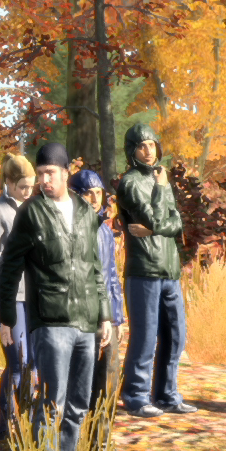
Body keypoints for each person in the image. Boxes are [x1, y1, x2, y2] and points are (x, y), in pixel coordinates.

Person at [0, 143, 107, 451]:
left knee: (79, 402)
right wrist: (6, 316)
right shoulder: (31, 213)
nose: (44, 180)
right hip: (50, 319)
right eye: (40, 173)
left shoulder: (85, 212)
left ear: (65, 173)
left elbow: (95, 267)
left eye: (50, 173)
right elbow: (10, 267)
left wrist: (104, 316)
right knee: (51, 401)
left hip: (86, 320)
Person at [116, 123, 192, 418]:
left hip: (169, 269)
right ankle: (135, 395)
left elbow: (176, 224)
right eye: (141, 146)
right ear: (132, 151)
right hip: (144, 270)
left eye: (151, 144)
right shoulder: (131, 183)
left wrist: (154, 227)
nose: (149, 151)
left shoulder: (160, 178)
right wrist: (160, 195)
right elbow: (159, 219)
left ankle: (166, 394)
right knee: (145, 337)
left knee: (176, 335)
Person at [0, 153, 36, 446]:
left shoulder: (33, 209)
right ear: (9, 183)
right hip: (7, 296)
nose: (27, 192)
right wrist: (17, 256)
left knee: (27, 362)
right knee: (17, 361)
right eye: (22, 187)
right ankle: (12, 430)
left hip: (32, 293)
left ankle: (7, 427)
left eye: (31, 186)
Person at [71, 169, 124, 410]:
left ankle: (102, 429)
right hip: (81, 314)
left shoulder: (104, 230)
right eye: (88, 193)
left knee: (109, 374)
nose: (94, 199)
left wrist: (117, 318)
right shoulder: (70, 228)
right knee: (82, 376)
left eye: (98, 193)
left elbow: (112, 275)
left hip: (106, 314)